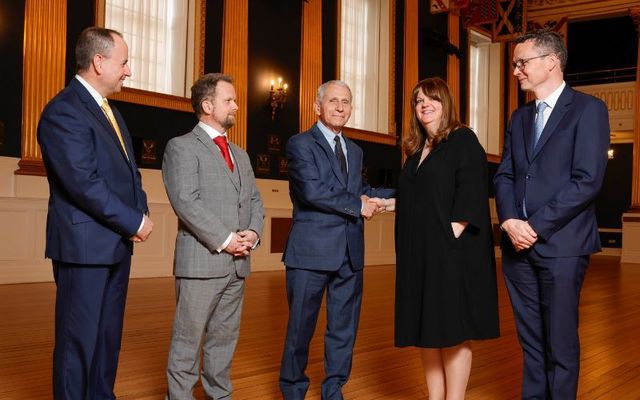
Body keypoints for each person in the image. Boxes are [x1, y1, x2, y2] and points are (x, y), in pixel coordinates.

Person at [37, 27, 153, 399]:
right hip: (85, 249)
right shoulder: (63, 111)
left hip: (116, 245)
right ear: (98, 62)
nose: (128, 71)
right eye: (124, 62)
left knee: (106, 341)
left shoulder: (112, 113)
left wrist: (139, 213)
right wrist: (134, 221)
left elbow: (129, 174)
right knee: (77, 344)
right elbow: (83, 184)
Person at [494, 29, 609, 399]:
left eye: (521, 63)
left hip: (562, 246)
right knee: (531, 345)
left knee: (560, 344)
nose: (516, 71)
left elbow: (587, 181)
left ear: (551, 62)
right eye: (516, 64)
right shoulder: (519, 117)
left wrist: (534, 226)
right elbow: (506, 174)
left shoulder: (589, 110)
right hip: (517, 248)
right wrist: (510, 221)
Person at [279, 80, 395, 400]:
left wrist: (401, 198)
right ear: (318, 106)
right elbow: (312, 191)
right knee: (300, 330)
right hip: (310, 254)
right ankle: (293, 391)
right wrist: (360, 205)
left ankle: (334, 391)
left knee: (343, 330)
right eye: (333, 101)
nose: (341, 107)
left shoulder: (355, 150)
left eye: (346, 102)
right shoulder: (300, 144)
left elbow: (361, 191)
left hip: (350, 253)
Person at [394, 77, 500, 400]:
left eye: (432, 99)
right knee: (427, 329)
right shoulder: (416, 151)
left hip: (450, 254)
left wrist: (445, 241)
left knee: (453, 332)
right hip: (420, 254)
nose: (424, 105)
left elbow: (470, 196)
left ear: (446, 103)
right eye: (418, 100)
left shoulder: (462, 139)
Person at [162, 73, 264, 399]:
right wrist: (226, 239)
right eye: (229, 100)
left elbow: (255, 201)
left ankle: (219, 395)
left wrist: (252, 232)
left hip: (237, 266)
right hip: (202, 263)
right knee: (187, 342)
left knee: (224, 340)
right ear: (207, 105)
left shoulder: (241, 154)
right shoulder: (181, 147)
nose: (236, 105)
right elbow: (186, 202)